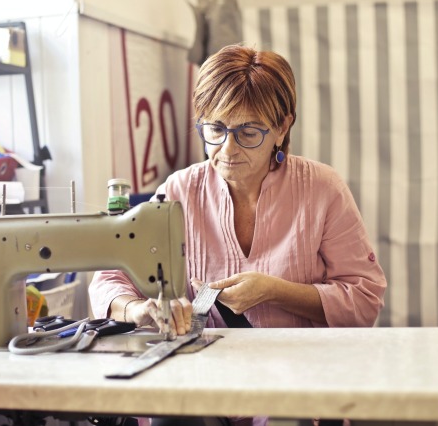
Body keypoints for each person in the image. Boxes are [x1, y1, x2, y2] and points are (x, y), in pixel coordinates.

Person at [88, 44, 387, 426]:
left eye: (247, 131)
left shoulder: (322, 190)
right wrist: (138, 309)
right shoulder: (179, 191)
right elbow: (109, 278)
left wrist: (275, 291)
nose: (226, 149)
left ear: (282, 127)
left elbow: (365, 299)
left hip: (298, 391)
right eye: (215, 129)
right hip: (202, 392)